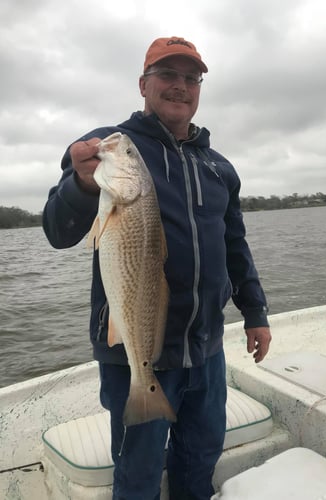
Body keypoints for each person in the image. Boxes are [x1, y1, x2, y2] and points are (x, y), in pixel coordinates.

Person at [43, 36, 272, 500]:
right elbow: (58, 230)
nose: (180, 86)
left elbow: (234, 245)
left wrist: (257, 313)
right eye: (167, 75)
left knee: (199, 457)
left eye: (191, 78)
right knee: (140, 472)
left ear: (200, 89)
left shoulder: (218, 167)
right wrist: (83, 184)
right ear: (143, 84)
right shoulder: (114, 147)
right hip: (136, 348)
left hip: (206, 349)